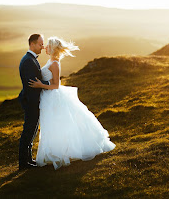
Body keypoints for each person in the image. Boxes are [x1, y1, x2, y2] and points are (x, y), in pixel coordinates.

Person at [29, 36, 116, 169]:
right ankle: (55, 152)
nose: (45, 47)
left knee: (58, 124)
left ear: (53, 48)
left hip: (53, 97)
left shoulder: (55, 63)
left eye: (48, 46)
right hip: (48, 97)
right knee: (52, 125)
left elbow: (56, 85)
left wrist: (40, 84)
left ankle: (62, 153)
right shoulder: (50, 60)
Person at [18, 34, 50, 170]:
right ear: (32, 44)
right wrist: (50, 83)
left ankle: (28, 160)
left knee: (31, 130)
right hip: (31, 101)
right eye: (40, 44)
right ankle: (24, 163)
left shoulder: (30, 59)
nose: (42, 47)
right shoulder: (28, 61)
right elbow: (33, 83)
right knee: (29, 131)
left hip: (32, 100)